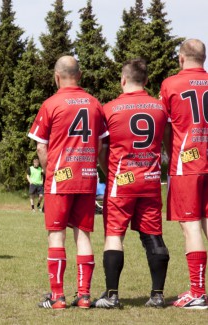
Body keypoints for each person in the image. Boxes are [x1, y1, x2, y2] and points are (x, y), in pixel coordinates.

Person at [28, 56, 107, 309]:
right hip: (86, 178)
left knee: (56, 235)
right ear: (80, 75)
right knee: (82, 234)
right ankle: (84, 296)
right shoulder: (95, 104)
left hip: (60, 180)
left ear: (56, 76)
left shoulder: (51, 104)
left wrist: (52, 170)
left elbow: (42, 146)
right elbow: (101, 143)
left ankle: (58, 297)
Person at [93, 59, 169, 309]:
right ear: (146, 81)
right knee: (153, 235)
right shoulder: (160, 108)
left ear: (123, 79)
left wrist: (110, 172)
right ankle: (157, 295)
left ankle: (112, 295)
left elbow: (102, 149)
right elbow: (166, 145)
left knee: (114, 235)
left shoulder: (110, 109)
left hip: (121, 182)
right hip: (150, 181)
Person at [160, 39, 208, 309]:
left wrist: (172, 154)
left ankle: (198, 292)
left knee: (191, 225)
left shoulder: (171, 84)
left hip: (187, 164)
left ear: (181, 59)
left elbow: (166, 129)